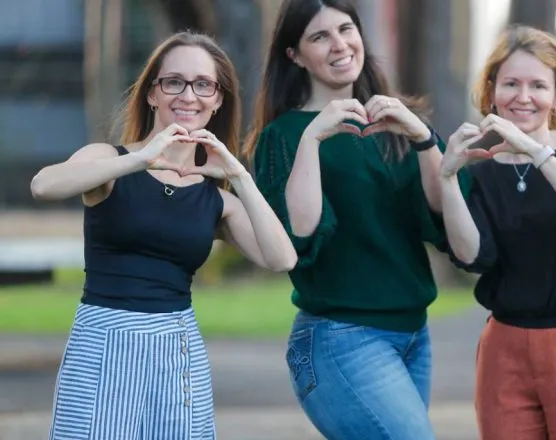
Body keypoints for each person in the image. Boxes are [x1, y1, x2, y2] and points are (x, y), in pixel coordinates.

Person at [30, 31, 297, 439]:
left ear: (218, 100)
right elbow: (43, 185)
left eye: (203, 84)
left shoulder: (216, 199)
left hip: (178, 349)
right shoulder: (110, 162)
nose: (188, 95)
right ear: (152, 93)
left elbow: (282, 259)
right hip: (103, 343)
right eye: (174, 81)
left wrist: (239, 177)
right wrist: (139, 160)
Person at [243, 0, 460, 438]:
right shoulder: (282, 137)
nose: (339, 44)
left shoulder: (398, 122)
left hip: (414, 335)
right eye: (319, 36)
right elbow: (296, 237)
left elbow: (443, 215)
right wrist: (313, 138)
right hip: (341, 339)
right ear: (294, 54)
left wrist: (422, 139)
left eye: (346, 29)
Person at [439, 25, 556, 440]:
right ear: (492, 92)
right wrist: (449, 179)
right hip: (505, 349)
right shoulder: (482, 175)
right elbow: (473, 255)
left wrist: (536, 152)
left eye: (538, 85)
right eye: (511, 83)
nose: (523, 96)